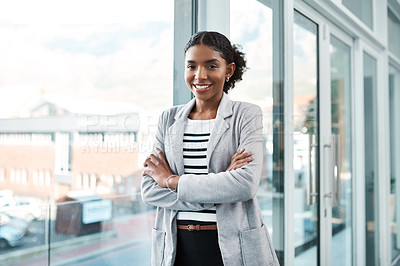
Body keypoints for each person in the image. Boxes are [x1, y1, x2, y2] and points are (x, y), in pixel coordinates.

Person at [141, 31, 279, 266]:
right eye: (191, 66)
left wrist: (172, 181)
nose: (199, 75)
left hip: (231, 246)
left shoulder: (246, 115)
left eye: (211, 66)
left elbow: (245, 185)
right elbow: (149, 190)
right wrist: (223, 183)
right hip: (176, 247)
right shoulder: (168, 119)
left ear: (229, 70)